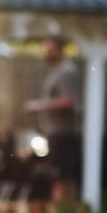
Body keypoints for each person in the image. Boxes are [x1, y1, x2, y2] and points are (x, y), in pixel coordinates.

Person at [24, 35, 82, 203]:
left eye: (49, 47)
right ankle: (65, 212)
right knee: (61, 174)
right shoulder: (59, 71)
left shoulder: (66, 72)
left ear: (59, 49)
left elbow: (68, 101)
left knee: (62, 176)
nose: (45, 51)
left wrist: (38, 105)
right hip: (57, 132)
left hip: (64, 133)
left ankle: (62, 211)